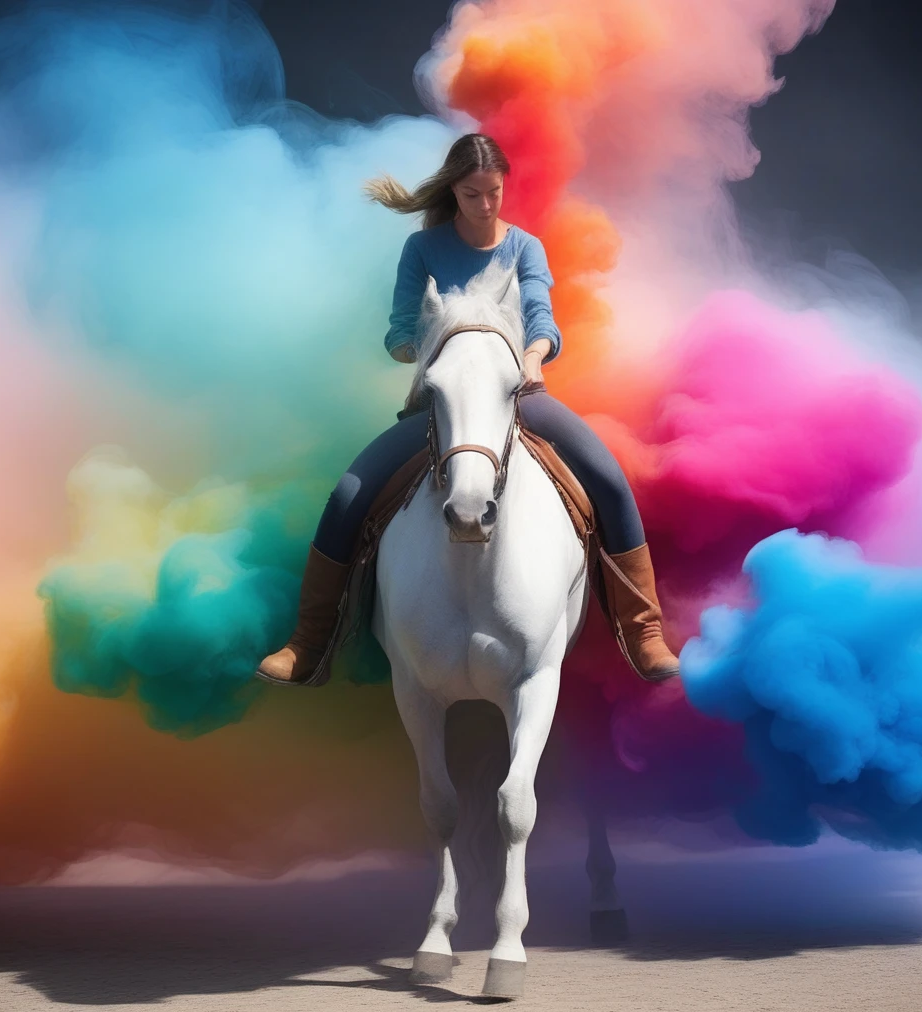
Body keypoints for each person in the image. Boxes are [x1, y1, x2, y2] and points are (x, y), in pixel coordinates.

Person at [256, 133, 680, 685]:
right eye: (472, 194)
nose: (485, 205)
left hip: (519, 392)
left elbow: (542, 318)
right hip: (444, 403)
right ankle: (307, 643)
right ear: (453, 191)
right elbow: (399, 332)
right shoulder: (423, 249)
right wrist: (424, 347)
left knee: (607, 478)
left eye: (494, 192)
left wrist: (532, 356)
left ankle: (645, 632)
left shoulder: (524, 247)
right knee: (347, 496)